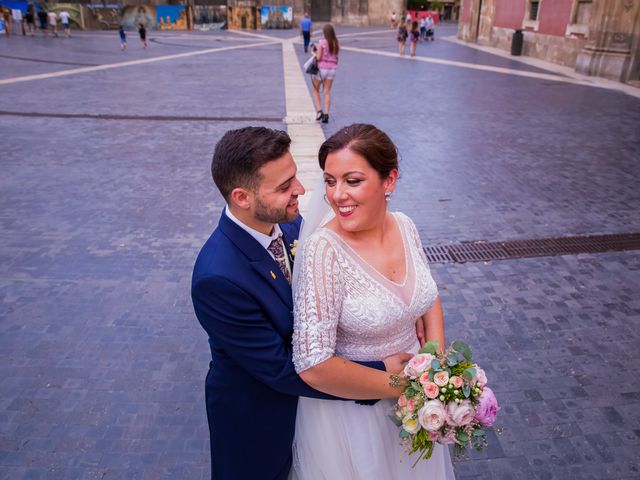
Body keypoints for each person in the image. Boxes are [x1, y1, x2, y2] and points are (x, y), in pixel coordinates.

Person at [191, 127, 410, 480]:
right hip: (261, 422)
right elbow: (279, 369)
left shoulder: (292, 228)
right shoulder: (218, 277)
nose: (301, 191)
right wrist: (382, 372)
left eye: (294, 177)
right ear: (242, 197)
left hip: (318, 415)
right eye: (284, 187)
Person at [291, 124, 456, 479]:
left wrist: (436, 369)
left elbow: (428, 296)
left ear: (389, 180)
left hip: (418, 407)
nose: (337, 195)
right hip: (355, 419)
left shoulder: (405, 225)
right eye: (330, 181)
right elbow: (312, 364)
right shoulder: (324, 251)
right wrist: (407, 388)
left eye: (352, 181)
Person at [311, 24, 339, 124]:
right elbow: (337, 58)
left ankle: (319, 111)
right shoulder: (336, 43)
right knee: (327, 91)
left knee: (315, 90)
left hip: (322, 69)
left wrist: (313, 52)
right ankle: (326, 114)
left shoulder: (322, 42)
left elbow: (318, 57)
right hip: (332, 69)